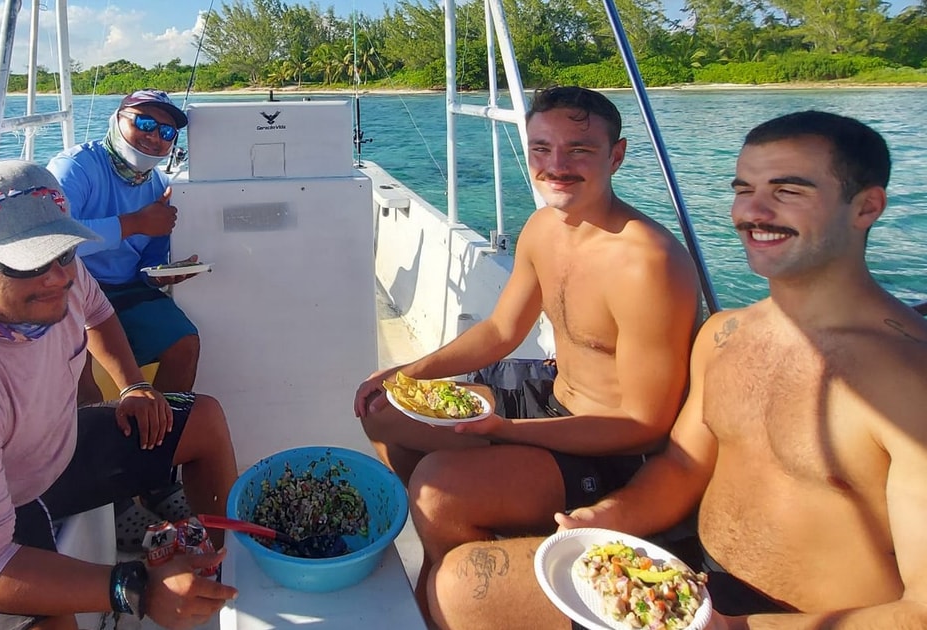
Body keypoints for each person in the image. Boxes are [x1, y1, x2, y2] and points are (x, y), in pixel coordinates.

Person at [426, 111, 927, 629]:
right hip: (689, 582)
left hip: (802, 619)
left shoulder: (909, 383)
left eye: (787, 191)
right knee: (463, 583)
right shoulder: (725, 336)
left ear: (866, 207)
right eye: (743, 189)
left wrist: (730, 628)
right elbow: (683, 467)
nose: (753, 211)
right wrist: (606, 517)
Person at [352, 86, 701, 611]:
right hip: (550, 390)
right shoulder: (542, 227)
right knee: (382, 409)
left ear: (617, 155)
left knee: (438, 487)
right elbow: (500, 330)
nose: (555, 166)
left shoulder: (646, 263)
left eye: (579, 149)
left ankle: (454, 585)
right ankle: (468, 537)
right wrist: (409, 372)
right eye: (541, 148)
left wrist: (508, 432)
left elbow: (646, 423)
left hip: (612, 446)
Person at [0, 160, 239, 630]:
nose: (58, 276)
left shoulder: (59, 275)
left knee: (201, 418)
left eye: (64, 253)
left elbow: (97, 312)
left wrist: (133, 384)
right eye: (31, 262)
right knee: (53, 624)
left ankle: (218, 577)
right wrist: (135, 587)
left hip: (44, 454)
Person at [47, 88, 203, 396]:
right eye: (144, 123)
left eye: (167, 131)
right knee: (82, 377)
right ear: (117, 120)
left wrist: (163, 273)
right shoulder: (76, 167)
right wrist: (133, 224)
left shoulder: (160, 183)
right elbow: (53, 239)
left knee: (184, 344)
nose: (155, 136)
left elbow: (150, 258)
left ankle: (161, 436)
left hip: (127, 289)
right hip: (71, 286)